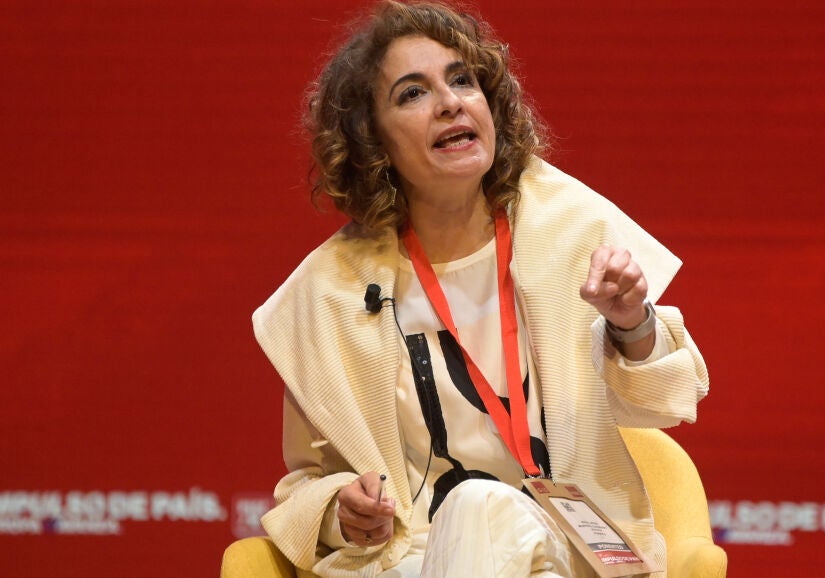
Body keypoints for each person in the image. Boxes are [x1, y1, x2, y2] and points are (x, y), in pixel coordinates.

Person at [253, 1, 710, 576]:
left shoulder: (571, 230)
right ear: (373, 141)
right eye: (412, 93)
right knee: (475, 511)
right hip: (414, 560)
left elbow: (668, 404)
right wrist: (341, 514)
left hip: (572, 553)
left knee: (481, 507)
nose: (450, 102)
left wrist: (631, 323)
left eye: (463, 80)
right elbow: (307, 482)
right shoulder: (330, 293)